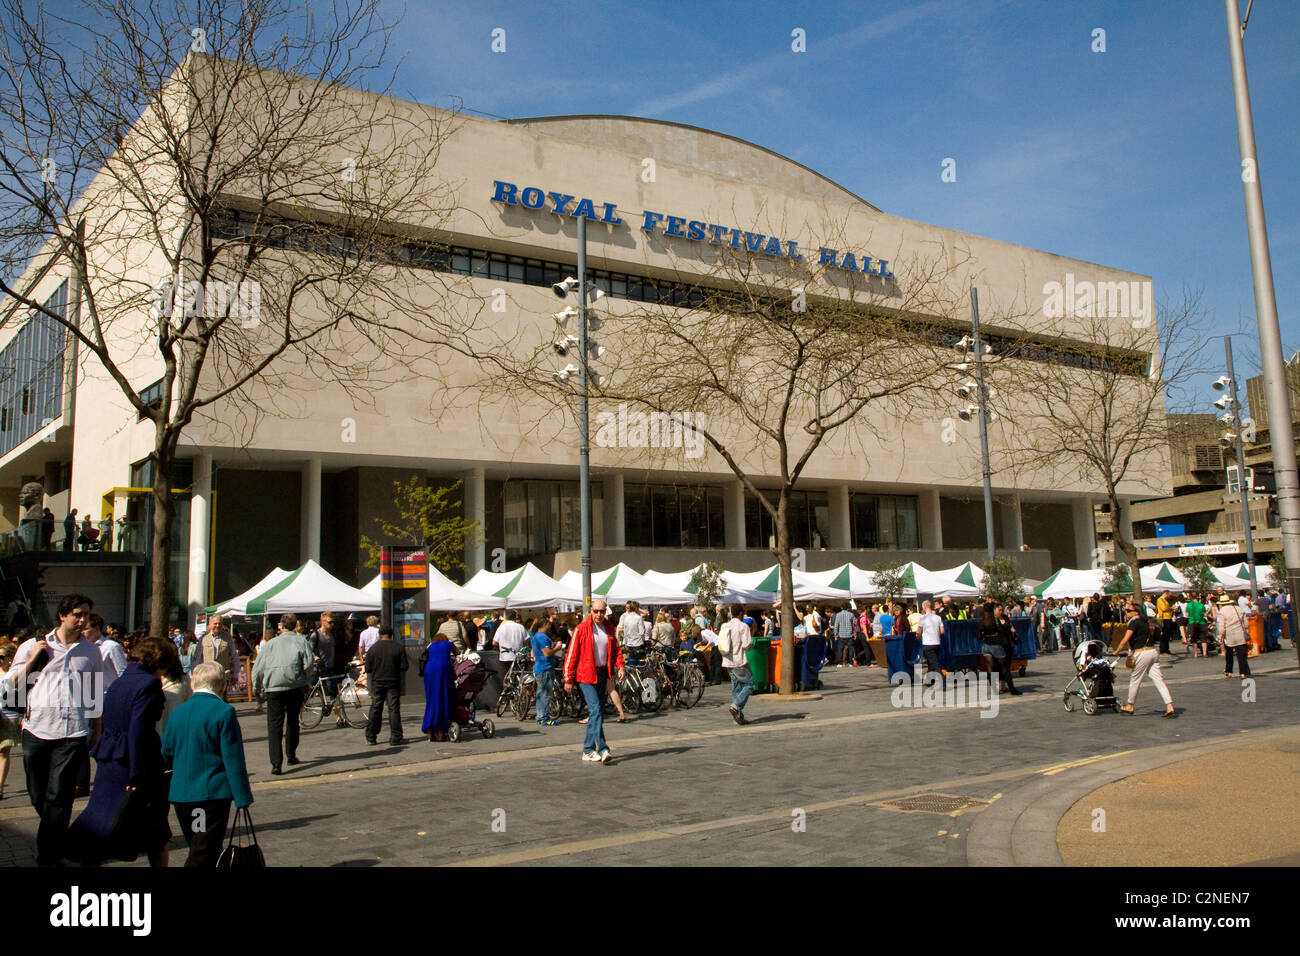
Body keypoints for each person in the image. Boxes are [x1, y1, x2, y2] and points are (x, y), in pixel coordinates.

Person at [6, 593, 102, 865]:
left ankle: (49, 856)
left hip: (72, 732)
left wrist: (97, 728)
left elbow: (93, 693)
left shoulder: (90, 650)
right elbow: (13, 684)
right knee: (38, 794)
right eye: (78, 614)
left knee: (58, 794)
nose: (83, 619)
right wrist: (35, 656)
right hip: (37, 729)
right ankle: (60, 837)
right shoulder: (33, 646)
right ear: (63, 615)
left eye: (86, 614)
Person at [67, 636, 176, 867]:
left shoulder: (120, 681)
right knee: (155, 832)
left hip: (111, 758)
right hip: (135, 763)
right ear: (160, 661)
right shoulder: (149, 684)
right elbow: (139, 731)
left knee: (101, 818)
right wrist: (138, 774)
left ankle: (84, 857)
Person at [161, 661, 254, 867]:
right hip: (208, 796)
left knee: (200, 844)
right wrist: (242, 797)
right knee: (202, 851)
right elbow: (233, 758)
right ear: (222, 685)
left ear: (193, 684)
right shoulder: (223, 712)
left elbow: (166, 751)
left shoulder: (178, 713)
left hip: (182, 795)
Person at [250, 613, 315, 775]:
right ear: (295, 625)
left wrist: (256, 688)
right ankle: (291, 754)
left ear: (281, 626)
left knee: (274, 725)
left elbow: (257, 668)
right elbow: (309, 663)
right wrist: (303, 679)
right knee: (293, 721)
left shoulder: (270, 644)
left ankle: (276, 763)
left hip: (274, 687)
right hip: (294, 686)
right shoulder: (301, 641)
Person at [563, 599, 624, 763]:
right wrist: (568, 678)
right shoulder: (581, 629)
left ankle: (588, 749)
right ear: (591, 611)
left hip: (602, 673)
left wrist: (620, 666)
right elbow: (571, 654)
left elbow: (616, 650)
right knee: (596, 709)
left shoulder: (609, 628)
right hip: (585, 675)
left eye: (602, 612)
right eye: (596, 611)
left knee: (596, 713)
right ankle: (603, 748)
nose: (599, 615)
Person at [1116, 599, 1175, 718]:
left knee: (1135, 680)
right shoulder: (1146, 621)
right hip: (1152, 651)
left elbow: (1125, 639)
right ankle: (1169, 705)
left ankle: (1130, 705)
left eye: (1128, 611)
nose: (1125, 613)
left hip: (1142, 653)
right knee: (1159, 680)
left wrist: (1117, 650)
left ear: (1135, 612)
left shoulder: (1134, 622)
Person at [364, 625, 407, 745]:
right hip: (393, 681)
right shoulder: (398, 648)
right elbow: (404, 666)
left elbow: (368, 668)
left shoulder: (373, 649)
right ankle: (396, 736)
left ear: (380, 634)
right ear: (391, 634)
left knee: (376, 708)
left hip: (377, 681)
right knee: (393, 709)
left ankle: (371, 736)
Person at [716, 604, 753, 725]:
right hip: (739, 660)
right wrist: (752, 646)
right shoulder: (743, 626)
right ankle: (736, 706)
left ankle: (738, 718)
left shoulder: (725, 625)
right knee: (749, 684)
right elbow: (746, 645)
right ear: (741, 613)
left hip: (727, 661)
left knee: (736, 688)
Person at [420, 631, 456, 742]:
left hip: (429, 671)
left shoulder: (431, 645)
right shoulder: (448, 644)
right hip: (443, 670)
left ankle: (430, 729)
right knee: (444, 699)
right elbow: (459, 652)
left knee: (432, 700)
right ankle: (441, 730)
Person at [979, 601, 1021, 695]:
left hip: (987, 646)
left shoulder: (984, 619)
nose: (1001, 612)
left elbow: (980, 633)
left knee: (991, 667)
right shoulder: (993, 620)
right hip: (997, 646)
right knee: (1004, 667)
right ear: (993, 610)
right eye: (999, 610)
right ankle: (1011, 688)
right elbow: (1002, 631)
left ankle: (996, 689)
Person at [530, 619, 563, 726]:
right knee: (545, 694)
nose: (550, 625)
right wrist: (557, 648)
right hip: (545, 667)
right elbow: (547, 653)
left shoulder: (536, 636)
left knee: (541, 693)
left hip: (540, 667)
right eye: (548, 623)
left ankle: (541, 716)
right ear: (544, 624)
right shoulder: (542, 637)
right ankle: (544, 717)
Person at [0, 644, 20, 799]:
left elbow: (19, 698)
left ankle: (0, 787)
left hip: (8, 716)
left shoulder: (13, 676)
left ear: (9, 659)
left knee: (4, 752)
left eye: (2, 657)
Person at [1216, 594, 1251, 680]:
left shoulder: (1222, 611)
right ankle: (1243, 673)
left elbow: (1222, 626)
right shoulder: (1238, 609)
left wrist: (1221, 635)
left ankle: (1229, 671)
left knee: (1229, 654)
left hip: (1229, 635)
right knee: (1241, 655)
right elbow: (1246, 624)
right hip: (1240, 634)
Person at [198, 614, 236, 689]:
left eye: (220, 623)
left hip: (223, 676)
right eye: (215, 623)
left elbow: (234, 657)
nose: (218, 625)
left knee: (222, 699)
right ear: (210, 625)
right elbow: (198, 659)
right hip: (208, 676)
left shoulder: (228, 638)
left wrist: (234, 674)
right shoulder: (203, 638)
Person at [918, 600, 945, 679]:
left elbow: (918, 631)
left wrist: (918, 636)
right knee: (931, 662)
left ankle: (942, 679)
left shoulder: (922, 618)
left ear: (924, 607)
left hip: (928, 643)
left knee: (934, 663)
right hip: (937, 642)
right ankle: (929, 680)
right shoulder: (938, 617)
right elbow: (942, 631)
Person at [1184, 592, 1209, 658]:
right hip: (1201, 622)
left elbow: (1187, 615)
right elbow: (1205, 614)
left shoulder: (1189, 605)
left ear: (1191, 598)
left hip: (1192, 622)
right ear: (1198, 598)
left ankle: (1196, 654)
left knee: (1194, 638)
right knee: (1203, 638)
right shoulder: (1201, 605)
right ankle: (1205, 653)